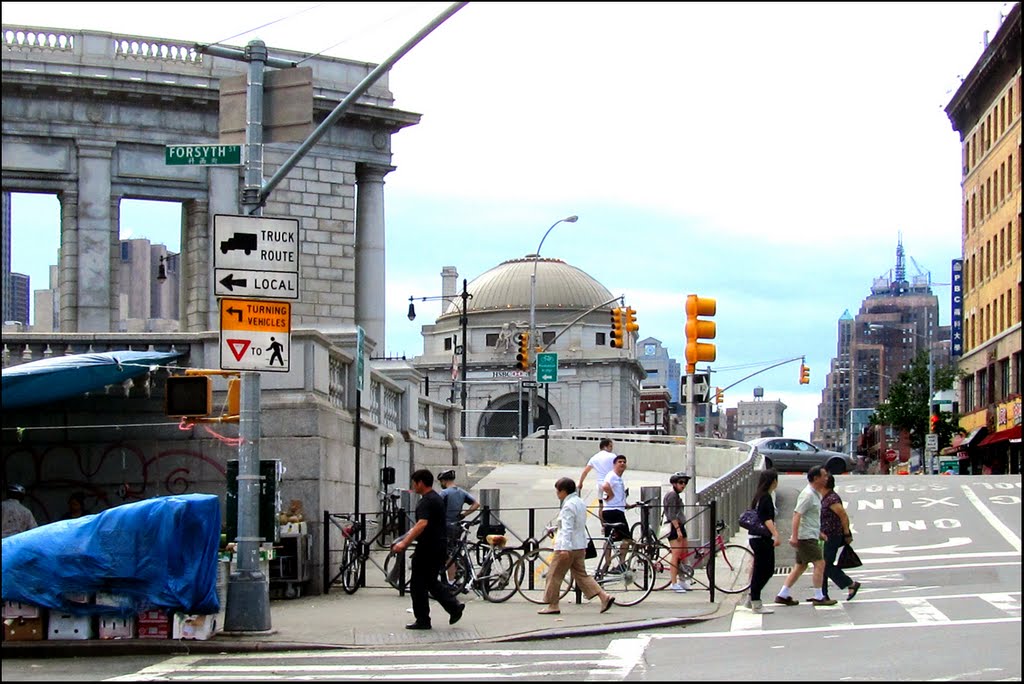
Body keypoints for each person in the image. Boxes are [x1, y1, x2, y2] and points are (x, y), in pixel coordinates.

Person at [391, 469, 465, 630]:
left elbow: (422, 524)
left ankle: (424, 619)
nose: (413, 486)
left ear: (420, 483)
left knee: (418, 585)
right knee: (430, 582)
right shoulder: (435, 498)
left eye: (414, 483)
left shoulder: (427, 501)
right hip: (437, 547)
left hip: (428, 548)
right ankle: (453, 607)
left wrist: (404, 543)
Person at [537, 477, 615, 615]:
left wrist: (564, 548)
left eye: (558, 491)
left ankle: (553, 605)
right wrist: (557, 528)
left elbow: (567, 528)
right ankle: (604, 597)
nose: (557, 494)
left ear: (563, 491)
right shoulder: (579, 502)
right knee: (581, 575)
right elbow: (575, 524)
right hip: (580, 545)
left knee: (554, 575)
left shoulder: (568, 506)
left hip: (567, 547)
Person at [775, 465, 835, 606]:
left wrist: (819, 533)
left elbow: (810, 517)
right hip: (806, 537)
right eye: (824, 476)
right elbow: (797, 514)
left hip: (810, 534)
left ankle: (783, 594)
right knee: (820, 563)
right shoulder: (807, 495)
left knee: (800, 566)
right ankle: (819, 596)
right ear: (816, 478)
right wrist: (794, 536)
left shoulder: (815, 493)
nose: (826, 478)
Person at [820, 473, 861, 602]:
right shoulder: (825, 497)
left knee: (825, 565)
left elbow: (843, 515)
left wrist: (847, 533)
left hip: (832, 536)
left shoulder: (831, 498)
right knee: (823, 564)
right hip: (826, 536)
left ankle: (850, 583)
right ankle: (822, 593)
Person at [746, 469, 781, 614]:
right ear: (773, 481)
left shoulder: (759, 496)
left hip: (756, 537)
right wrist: (776, 534)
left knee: (762, 570)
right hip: (762, 539)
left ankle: (752, 598)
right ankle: (756, 602)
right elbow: (766, 518)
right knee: (765, 570)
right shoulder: (765, 497)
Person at [438, 469, 480, 582]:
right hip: (457, 525)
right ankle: (457, 576)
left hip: (445, 526)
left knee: (447, 554)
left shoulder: (444, 493)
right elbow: (476, 504)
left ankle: (450, 581)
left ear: (443, 481)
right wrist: (463, 515)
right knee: (455, 551)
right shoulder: (461, 492)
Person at [600, 453, 633, 572]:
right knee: (627, 539)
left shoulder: (618, 479)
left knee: (610, 539)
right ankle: (619, 563)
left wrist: (627, 505)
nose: (622, 464)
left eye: (624, 462)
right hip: (613, 511)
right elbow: (605, 486)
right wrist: (611, 494)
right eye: (619, 462)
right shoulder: (612, 476)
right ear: (614, 464)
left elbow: (618, 495)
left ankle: (609, 563)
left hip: (617, 510)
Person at [662, 472, 692, 593]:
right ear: (674, 483)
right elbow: (671, 514)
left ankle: (682, 580)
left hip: (680, 525)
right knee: (676, 554)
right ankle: (674, 582)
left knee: (684, 553)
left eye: (685, 483)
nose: (683, 485)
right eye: (680, 482)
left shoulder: (676, 495)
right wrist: (678, 530)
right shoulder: (672, 495)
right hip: (675, 527)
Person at [578, 437, 616, 508]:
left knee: (601, 505)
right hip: (610, 484)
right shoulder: (613, 456)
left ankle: (601, 519)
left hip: (600, 485)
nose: (612, 448)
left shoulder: (594, 458)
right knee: (611, 505)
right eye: (610, 446)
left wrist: (580, 483)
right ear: (605, 447)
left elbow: (585, 472)